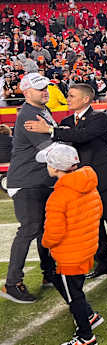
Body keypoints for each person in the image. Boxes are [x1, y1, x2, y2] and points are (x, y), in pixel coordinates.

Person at [25, 83, 107, 279]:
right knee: (93, 226)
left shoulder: (99, 117)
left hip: (105, 180)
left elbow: (82, 135)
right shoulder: (66, 121)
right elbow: (66, 139)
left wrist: (51, 130)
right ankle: (104, 263)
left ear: (85, 99)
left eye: (72, 96)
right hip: (82, 182)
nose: (68, 99)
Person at [37, 143, 103, 345]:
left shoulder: (58, 196)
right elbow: (97, 212)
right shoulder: (89, 184)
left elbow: (53, 234)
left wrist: (46, 243)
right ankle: (90, 316)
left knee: (74, 296)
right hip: (87, 247)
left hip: (69, 254)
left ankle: (86, 336)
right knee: (64, 283)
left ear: (56, 168)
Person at [2, 73, 56, 303]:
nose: (45, 91)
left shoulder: (43, 111)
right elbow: (50, 149)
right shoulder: (29, 114)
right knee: (30, 228)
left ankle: (48, 272)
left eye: (46, 87)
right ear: (26, 93)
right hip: (27, 181)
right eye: (40, 88)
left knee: (44, 228)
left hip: (39, 179)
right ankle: (12, 282)